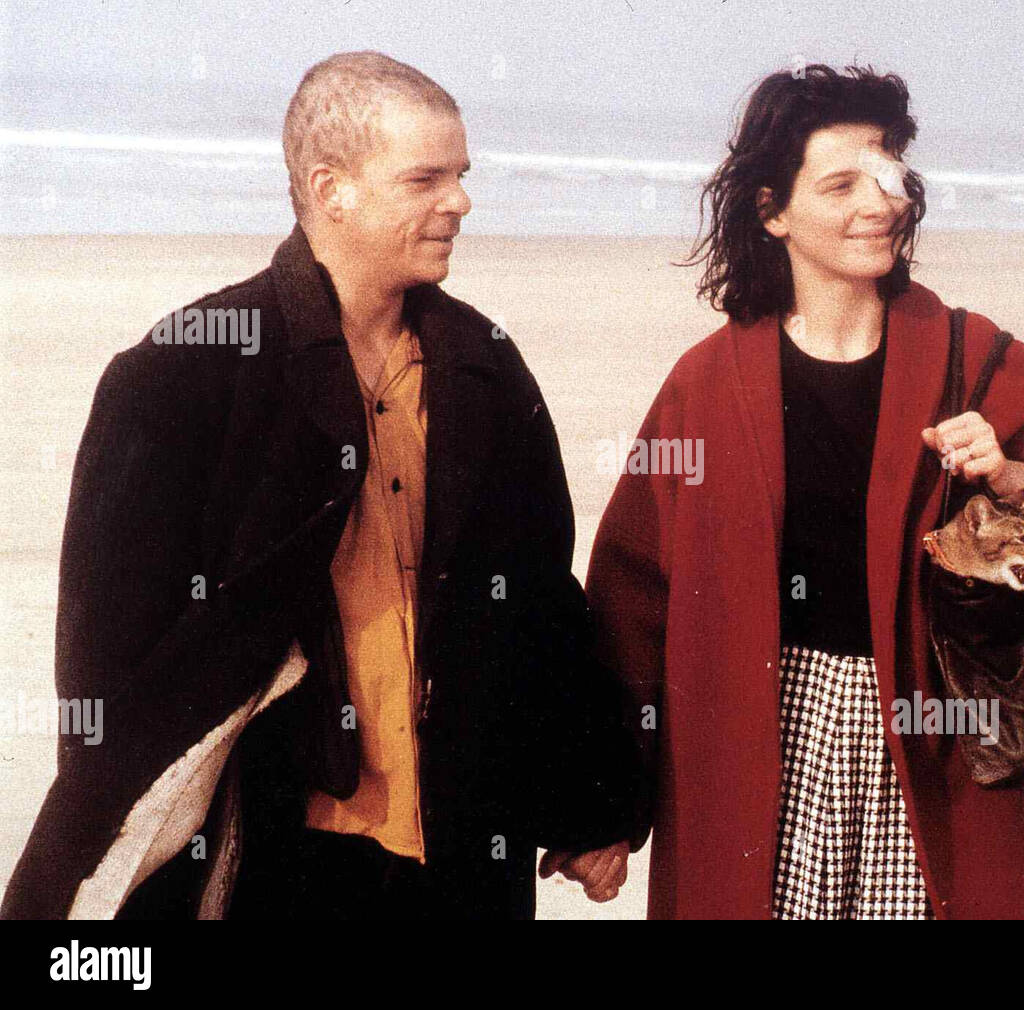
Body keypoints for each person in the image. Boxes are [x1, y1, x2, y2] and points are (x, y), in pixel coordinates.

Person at [1, 51, 635, 920]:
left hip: (459, 849)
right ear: (330, 189)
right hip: (274, 856)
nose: (460, 201)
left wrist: (591, 799)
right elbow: (104, 666)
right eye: (426, 178)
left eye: (461, 176)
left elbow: (540, 600)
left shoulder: (485, 367)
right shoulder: (181, 374)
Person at [584, 64, 1024, 919]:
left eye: (890, 172)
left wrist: (1013, 476)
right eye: (841, 183)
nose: (880, 201)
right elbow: (630, 596)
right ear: (771, 210)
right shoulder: (704, 386)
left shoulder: (972, 355)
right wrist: (605, 804)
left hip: (931, 749)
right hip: (754, 746)